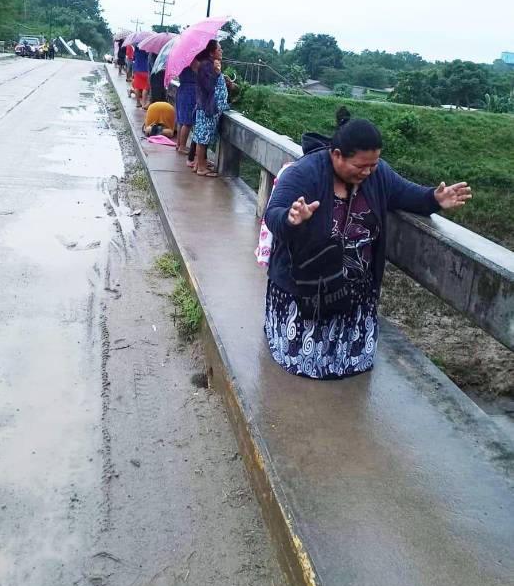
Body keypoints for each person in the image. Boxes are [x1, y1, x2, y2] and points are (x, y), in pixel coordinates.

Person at [264, 108, 472, 380]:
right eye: (361, 166)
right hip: (307, 283)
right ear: (336, 154)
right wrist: (292, 219)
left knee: (353, 365)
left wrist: (434, 199)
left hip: (356, 287)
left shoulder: (378, 173)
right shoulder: (304, 173)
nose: (368, 172)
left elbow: (407, 194)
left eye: (373, 164)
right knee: (303, 364)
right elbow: (273, 213)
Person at [192, 39, 233, 177]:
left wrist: (220, 74)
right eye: (219, 49)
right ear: (211, 52)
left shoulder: (209, 64)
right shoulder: (206, 66)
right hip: (207, 106)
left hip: (210, 107)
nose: (222, 51)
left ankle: (199, 163)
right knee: (203, 138)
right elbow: (209, 86)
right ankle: (201, 168)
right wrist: (216, 72)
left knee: (203, 137)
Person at [176, 60, 198, 157]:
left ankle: (179, 143)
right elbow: (198, 72)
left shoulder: (182, 59)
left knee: (181, 119)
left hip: (182, 88)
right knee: (188, 121)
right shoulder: (193, 60)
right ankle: (182, 146)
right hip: (190, 90)